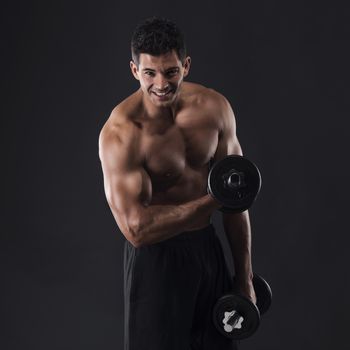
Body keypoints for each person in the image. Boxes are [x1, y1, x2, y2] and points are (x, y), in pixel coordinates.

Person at [98, 16, 256, 350]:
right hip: (156, 262)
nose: (161, 84)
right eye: (149, 73)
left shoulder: (215, 109)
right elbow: (136, 229)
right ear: (133, 71)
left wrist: (244, 278)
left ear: (185, 65)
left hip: (207, 251)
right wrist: (215, 198)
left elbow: (236, 201)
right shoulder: (122, 134)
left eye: (170, 72)